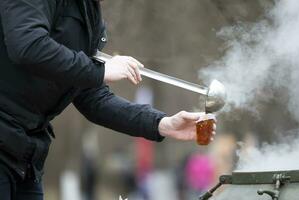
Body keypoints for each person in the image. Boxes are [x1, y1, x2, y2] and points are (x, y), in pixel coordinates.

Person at [0, 0, 217, 199]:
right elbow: (27, 45)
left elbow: (92, 97)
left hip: (25, 157)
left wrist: (162, 124)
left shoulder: (91, 19)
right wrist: (100, 72)